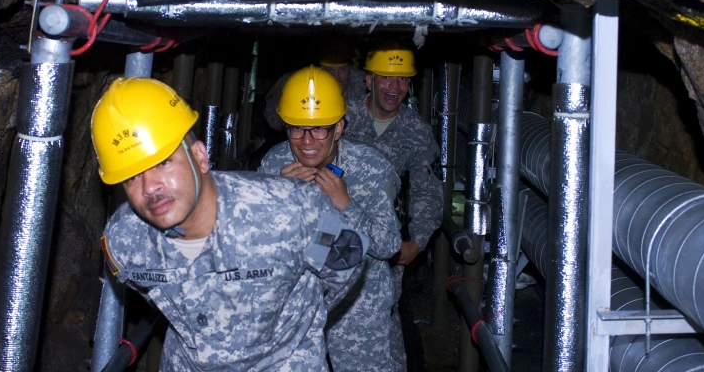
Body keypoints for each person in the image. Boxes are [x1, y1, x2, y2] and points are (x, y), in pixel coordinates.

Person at [92, 77, 368, 371]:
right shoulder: (124, 241)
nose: (150, 187)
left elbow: (344, 265)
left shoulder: (294, 211)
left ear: (199, 156)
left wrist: (295, 317)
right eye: (132, 176)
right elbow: (148, 290)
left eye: (163, 163)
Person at [258, 66, 402, 371]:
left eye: (319, 129)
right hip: (295, 304)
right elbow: (258, 245)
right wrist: (282, 199)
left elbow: (389, 246)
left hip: (357, 309)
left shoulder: (372, 168)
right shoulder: (275, 164)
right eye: (296, 128)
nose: (307, 140)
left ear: (338, 128)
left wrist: (345, 203)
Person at [341, 44, 442, 372]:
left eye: (402, 80)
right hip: (333, 229)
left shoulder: (416, 132)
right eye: (386, 78)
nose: (393, 88)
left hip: (383, 238)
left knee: (382, 316)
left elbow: (428, 189)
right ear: (369, 80)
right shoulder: (341, 114)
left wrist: (418, 239)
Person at [264, 39, 367, 131]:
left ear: (350, 69)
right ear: (321, 68)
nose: (337, 77)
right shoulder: (296, 82)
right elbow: (272, 116)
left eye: (342, 70)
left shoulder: (364, 82)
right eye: (330, 70)